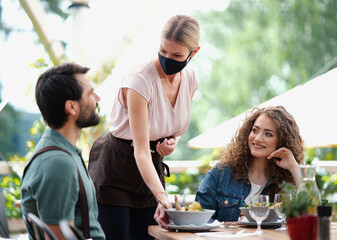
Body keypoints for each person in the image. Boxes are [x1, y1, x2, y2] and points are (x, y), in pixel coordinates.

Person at [88, 14, 200, 239]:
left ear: (193, 52)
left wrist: (170, 142)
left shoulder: (190, 79)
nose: (168, 58)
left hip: (151, 170)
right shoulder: (139, 80)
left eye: (177, 54)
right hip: (116, 168)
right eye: (163, 51)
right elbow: (140, 149)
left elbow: (173, 125)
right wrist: (162, 196)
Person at [21, 63, 105, 240]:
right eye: (90, 93)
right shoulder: (58, 163)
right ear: (72, 107)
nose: (97, 98)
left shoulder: (63, 152)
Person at [195, 106, 305, 222]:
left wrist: (294, 168)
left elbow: (311, 213)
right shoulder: (222, 173)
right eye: (255, 130)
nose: (257, 138)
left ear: (282, 141)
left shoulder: (288, 181)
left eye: (268, 134)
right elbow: (198, 217)